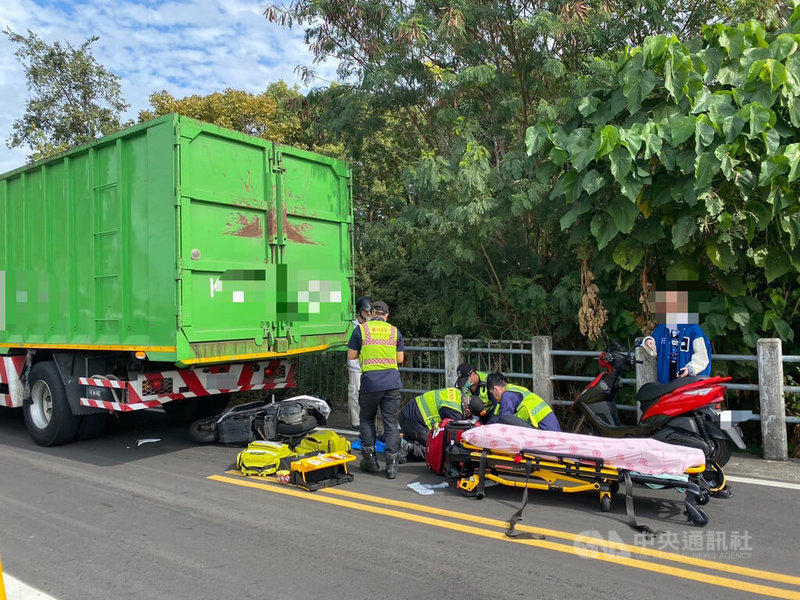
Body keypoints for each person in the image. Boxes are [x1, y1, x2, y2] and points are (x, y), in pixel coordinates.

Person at [347, 300, 405, 479]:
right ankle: (392, 465)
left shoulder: (361, 330)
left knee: (366, 419)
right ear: (387, 315)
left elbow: (351, 355)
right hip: (391, 383)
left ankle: (370, 459)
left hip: (370, 383)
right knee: (390, 421)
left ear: (372, 313)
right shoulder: (395, 332)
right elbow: (400, 359)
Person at [643, 288, 712, 383]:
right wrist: (648, 341)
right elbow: (653, 346)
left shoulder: (693, 329)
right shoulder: (663, 327)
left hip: (689, 382)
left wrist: (689, 369)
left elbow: (702, 357)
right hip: (666, 381)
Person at [399, 388, 465, 460]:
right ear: (467, 410)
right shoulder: (455, 412)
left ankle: (402, 441)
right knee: (438, 450)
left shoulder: (457, 393)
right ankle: (409, 447)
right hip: (411, 422)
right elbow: (451, 437)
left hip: (407, 414)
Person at [484, 372, 561, 431]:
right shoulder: (515, 390)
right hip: (549, 426)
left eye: (492, 393)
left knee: (506, 419)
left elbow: (503, 420)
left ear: (496, 389)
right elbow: (495, 417)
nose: (493, 397)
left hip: (544, 428)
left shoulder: (507, 396)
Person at [346, 296, 374, 429]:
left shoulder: (370, 326)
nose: (369, 315)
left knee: (369, 395)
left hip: (369, 365)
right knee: (355, 393)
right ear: (360, 312)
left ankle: (368, 420)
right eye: (366, 311)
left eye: (370, 312)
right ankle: (356, 421)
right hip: (355, 365)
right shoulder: (351, 326)